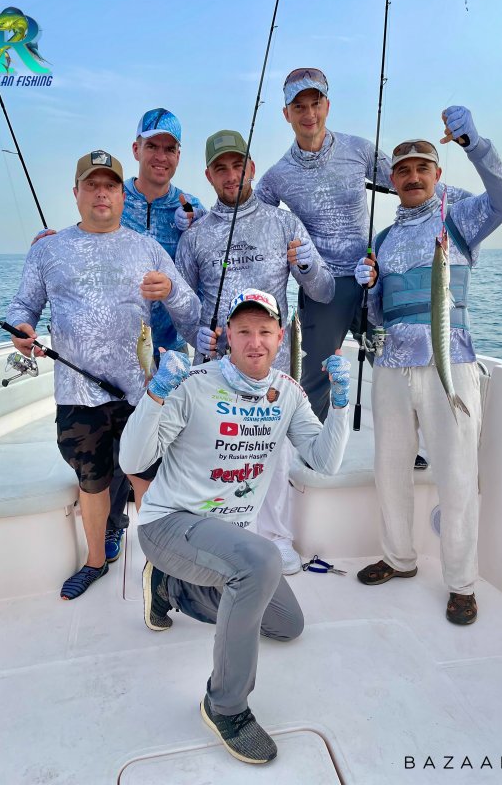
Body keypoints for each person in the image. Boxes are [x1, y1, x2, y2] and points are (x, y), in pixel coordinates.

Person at [119, 288, 351, 764]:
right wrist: (156, 394)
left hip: (227, 540)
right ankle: (225, 705)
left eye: (265, 331)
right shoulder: (194, 384)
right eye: (243, 330)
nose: (254, 341)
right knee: (261, 561)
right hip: (170, 524)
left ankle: (170, 588)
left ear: (281, 337)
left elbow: (324, 462)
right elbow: (132, 460)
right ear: (227, 335)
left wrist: (341, 405)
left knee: (288, 625)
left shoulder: (288, 393)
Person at [7, 150, 200, 600]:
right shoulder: (48, 249)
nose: (101, 193)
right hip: (77, 393)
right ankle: (95, 561)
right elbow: (22, 306)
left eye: (110, 185)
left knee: (146, 479)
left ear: (121, 195)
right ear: (75, 193)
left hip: (140, 392)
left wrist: (171, 289)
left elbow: (190, 309)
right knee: (91, 483)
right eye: (91, 185)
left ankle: (160, 567)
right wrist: (22, 330)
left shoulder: (147, 248)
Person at [254, 68, 470, 471]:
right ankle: (311, 450)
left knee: (391, 362)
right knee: (314, 374)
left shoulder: (358, 149)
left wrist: (462, 201)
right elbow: (254, 219)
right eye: (299, 106)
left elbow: (407, 180)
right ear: (286, 114)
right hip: (323, 288)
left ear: (327, 106)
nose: (309, 114)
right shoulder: (277, 175)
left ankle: (411, 445)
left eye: (315, 103)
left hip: (373, 275)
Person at [353, 106, 502, 624]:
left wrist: (475, 143)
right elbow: (376, 318)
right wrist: (368, 287)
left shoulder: (460, 216)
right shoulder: (381, 240)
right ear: (392, 181)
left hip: (452, 361)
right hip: (391, 367)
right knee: (390, 469)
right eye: (402, 171)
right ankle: (399, 558)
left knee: (457, 473)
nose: (412, 177)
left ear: (437, 173)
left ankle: (462, 582)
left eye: (422, 168)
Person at [174, 129, 335, 574]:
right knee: (214, 454)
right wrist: (195, 334)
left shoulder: (284, 224)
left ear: (252, 168)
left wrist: (306, 264)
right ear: (208, 175)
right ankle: (218, 539)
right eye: (221, 168)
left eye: (238, 165)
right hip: (215, 370)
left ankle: (277, 538)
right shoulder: (195, 237)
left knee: (275, 455)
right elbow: (183, 305)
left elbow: (323, 290)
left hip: (273, 369)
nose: (231, 175)